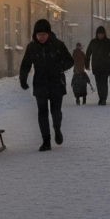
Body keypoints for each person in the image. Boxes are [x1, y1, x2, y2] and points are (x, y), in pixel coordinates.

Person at [19, 18, 73, 151]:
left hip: (56, 83)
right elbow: (26, 64)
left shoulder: (58, 45)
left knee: (56, 112)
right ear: (35, 35)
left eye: (43, 34)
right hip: (40, 84)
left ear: (48, 33)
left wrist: (60, 67)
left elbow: (70, 61)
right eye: (39, 35)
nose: (41, 37)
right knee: (42, 113)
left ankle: (57, 128)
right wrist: (23, 79)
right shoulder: (32, 47)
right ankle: (46, 141)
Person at [85, 25, 110, 105]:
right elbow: (88, 53)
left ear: (104, 34)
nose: (100, 35)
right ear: (97, 34)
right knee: (98, 83)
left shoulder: (108, 42)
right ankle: (101, 98)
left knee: (104, 83)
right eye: (99, 34)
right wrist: (87, 65)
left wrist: (109, 60)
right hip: (96, 67)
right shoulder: (93, 42)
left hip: (105, 66)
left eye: (102, 34)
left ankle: (103, 99)